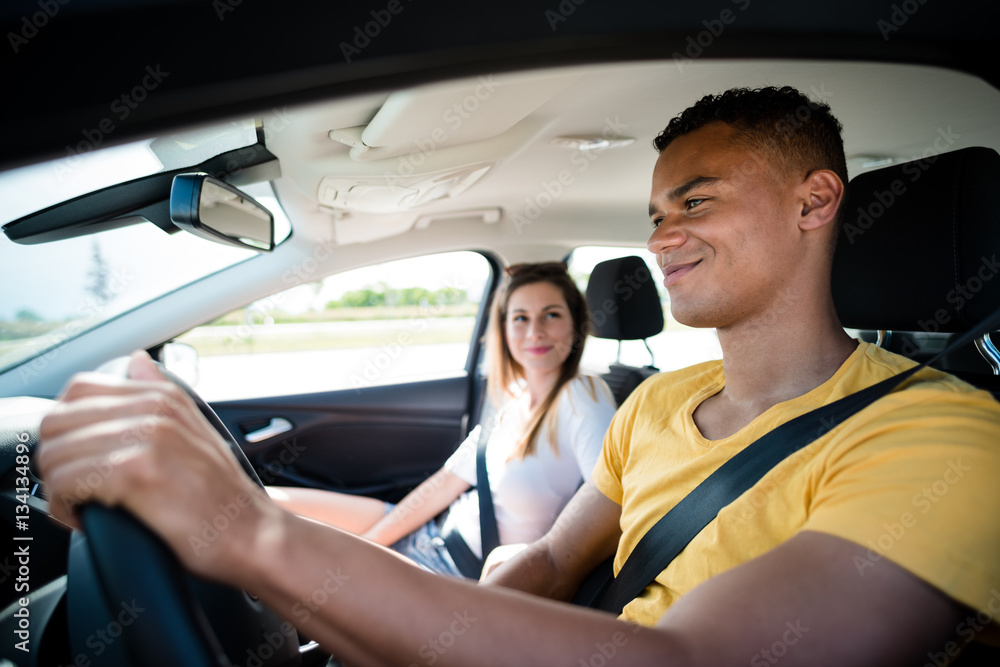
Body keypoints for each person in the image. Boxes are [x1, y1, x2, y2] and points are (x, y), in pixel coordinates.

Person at [38, 86, 1000, 666]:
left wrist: (252, 536)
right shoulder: (661, 401)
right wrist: (474, 597)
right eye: (657, 210)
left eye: (695, 202)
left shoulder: (946, 438)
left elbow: (698, 660)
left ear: (815, 200)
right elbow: (550, 562)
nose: (661, 238)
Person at [266, 262, 617, 578]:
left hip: (456, 575)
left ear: (576, 325)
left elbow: (608, 507)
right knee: (268, 502)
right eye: (521, 317)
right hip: (431, 536)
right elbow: (446, 483)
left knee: (305, 567)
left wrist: (522, 580)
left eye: (551, 315)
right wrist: (373, 544)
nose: (535, 331)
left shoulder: (585, 396)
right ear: (505, 328)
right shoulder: (513, 394)